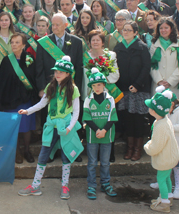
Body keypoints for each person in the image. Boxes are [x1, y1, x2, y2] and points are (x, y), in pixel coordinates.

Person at [18, 56, 83, 200]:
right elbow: (42, 104)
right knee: (43, 154)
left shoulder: (73, 89)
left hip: (66, 126)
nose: (57, 74)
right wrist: (28, 111)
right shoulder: (50, 87)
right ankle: (35, 185)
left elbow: (76, 111)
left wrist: (70, 127)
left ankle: (65, 185)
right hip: (51, 125)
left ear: (68, 74)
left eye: (61, 71)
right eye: (56, 71)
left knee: (66, 155)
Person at [0, 33, 39, 164]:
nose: (14, 45)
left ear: (23, 45)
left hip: (26, 99)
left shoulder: (30, 59)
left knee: (26, 127)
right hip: (10, 100)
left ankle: (27, 151)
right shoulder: (7, 60)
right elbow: (1, 81)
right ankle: (16, 151)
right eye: (12, 42)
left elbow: (34, 78)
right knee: (14, 127)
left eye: (17, 42)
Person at [114, 20, 151, 162]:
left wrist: (137, 84)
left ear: (136, 32)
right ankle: (129, 148)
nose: (126, 32)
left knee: (138, 120)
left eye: (129, 30)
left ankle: (137, 149)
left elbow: (146, 68)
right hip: (124, 90)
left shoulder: (142, 48)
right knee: (128, 119)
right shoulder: (118, 48)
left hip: (139, 90)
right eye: (124, 30)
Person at [84, 29, 121, 162]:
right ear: (89, 42)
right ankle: (93, 154)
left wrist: (100, 78)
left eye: (98, 40)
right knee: (92, 122)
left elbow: (115, 75)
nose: (95, 42)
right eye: (92, 40)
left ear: (102, 42)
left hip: (107, 95)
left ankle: (109, 154)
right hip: (90, 95)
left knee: (107, 123)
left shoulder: (110, 56)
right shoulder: (85, 56)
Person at [83, 68, 118, 200]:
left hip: (107, 136)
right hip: (92, 135)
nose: (96, 88)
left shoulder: (110, 99)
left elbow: (112, 118)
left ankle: (105, 183)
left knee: (105, 162)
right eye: (93, 85)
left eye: (99, 84)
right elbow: (87, 117)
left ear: (104, 84)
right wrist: (97, 130)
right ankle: (91, 185)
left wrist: (103, 130)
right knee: (92, 162)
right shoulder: (88, 99)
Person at [144, 87, 179, 213]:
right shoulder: (164, 120)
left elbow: (156, 147)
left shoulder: (161, 126)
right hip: (170, 157)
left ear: (154, 110)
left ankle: (164, 203)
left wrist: (147, 146)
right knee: (166, 178)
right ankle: (168, 197)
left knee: (161, 179)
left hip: (165, 158)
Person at [150, 89, 179, 201]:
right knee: (163, 167)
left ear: (172, 103)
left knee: (177, 166)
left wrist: (168, 128)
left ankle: (178, 187)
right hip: (165, 145)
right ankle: (161, 183)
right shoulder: (167, 110)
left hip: (176, 146)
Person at [36, 13, 84, 101]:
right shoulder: (43, 42)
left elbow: (78, 67)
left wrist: (76, 87)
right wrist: (42, 88)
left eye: (57, 25)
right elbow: (39, 68)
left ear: (65, 25)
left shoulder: (77, 42)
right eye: (53, 25)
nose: (54, 27)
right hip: (49, 86)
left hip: (69, 87)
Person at [150, 18, 179, 99]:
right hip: (158, 86)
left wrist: (170, 81)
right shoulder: (154, 45)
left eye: (166, 28)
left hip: (174, 86)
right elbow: (151, 65)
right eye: (161, 28)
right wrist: (159, 80)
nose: (163, 30)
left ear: (171, 29)